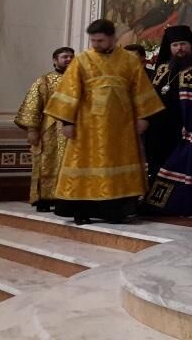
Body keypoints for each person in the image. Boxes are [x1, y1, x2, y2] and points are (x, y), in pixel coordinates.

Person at [44, 19, 163, 225]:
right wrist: (67, 121)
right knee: (85, 165)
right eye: (93, 41)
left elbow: (140, 89)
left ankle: (115, 211)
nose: (96, 44)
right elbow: (69, 91)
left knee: (117, 166)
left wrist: (143, 117)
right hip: (87, 125)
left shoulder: (129, 60)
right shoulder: (82, 60)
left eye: (100, 40)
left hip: (121, 126)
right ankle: (82, 211)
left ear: (112, 38)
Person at [141, 26, 192, 216]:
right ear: (169, 48)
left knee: (180, 164)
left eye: (183, 44)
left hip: (189, 130)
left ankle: (180, 205)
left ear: (191, 45)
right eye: (175, 45)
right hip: (160, 131)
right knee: (158, 165)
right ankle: (156, 206)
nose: (179, 48)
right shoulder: (163, 68)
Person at [14, 47, 75, 212]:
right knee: (46, 163)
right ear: (55, 60)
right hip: (49, 129)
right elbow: (32, 106)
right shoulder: (44, 81)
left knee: (69, 164)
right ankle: (44, 199)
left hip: (72, 130)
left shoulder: (77, 80)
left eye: (71, 57)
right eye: (65, 57)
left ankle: (66, 199)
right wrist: (32, 130)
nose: (69, 59)